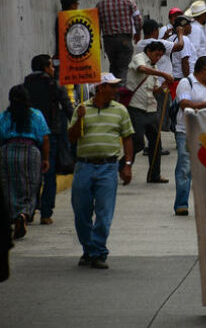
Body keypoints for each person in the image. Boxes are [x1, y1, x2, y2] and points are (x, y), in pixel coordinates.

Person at [68, 73, 134, 269]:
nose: (115, 90)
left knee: (104, 213)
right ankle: (88, 249)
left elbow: (128, 138)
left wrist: (128, 165)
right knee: (81, 212)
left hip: (108, 167)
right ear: (100, 88)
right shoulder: (82, 109)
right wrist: (79, 119)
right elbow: (71, 138)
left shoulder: (120, 110)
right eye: (112, 86)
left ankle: (97, 251)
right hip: (84, 166)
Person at [23, 54, 72, 225]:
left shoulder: (25, 85)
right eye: (51, 66)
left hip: (29, 135)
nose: (53, 69)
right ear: (45, 68)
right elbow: (68, 107)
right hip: (50, 134)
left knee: (31, 174)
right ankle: (46, 213)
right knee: (49, 173)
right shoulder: (55, 85)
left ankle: (28, 211)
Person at [0, 86, 50, 239]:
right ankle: (23, 214)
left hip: (7, 151)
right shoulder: (36, 115)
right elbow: (45, 138)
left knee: (8, 186)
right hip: (31, 151)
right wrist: (45, 159)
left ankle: (14, 216)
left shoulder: (4, 116)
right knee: (30, 185)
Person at [173, 56, 206, 216]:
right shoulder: (186, 83)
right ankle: (181, 204)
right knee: (185, 168)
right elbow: (184, 104)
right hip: (187, 131)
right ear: (204, 70)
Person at [126, 41, 173, 183]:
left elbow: (156, 90)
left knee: (156, 143)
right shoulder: (139, 58)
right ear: (149, 51)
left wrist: (164, 86)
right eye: (156, 54)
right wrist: (163, 74)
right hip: (137, 108)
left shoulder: (155, 67)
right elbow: (142, 69)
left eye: (160, 56)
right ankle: (123, 167)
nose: (158, 58)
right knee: (137, 142)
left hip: (151, 109)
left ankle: (154, 175)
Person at [96, 0, 143, 82]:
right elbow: (138, 19)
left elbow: (96, 24)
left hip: (108, 41)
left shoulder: (100, 4)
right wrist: (138, 34)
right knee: (123, 67)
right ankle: (121, 92)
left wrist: (98, 40)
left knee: (113, 66)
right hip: (124, 39)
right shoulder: (129, 1)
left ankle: (113, 91)